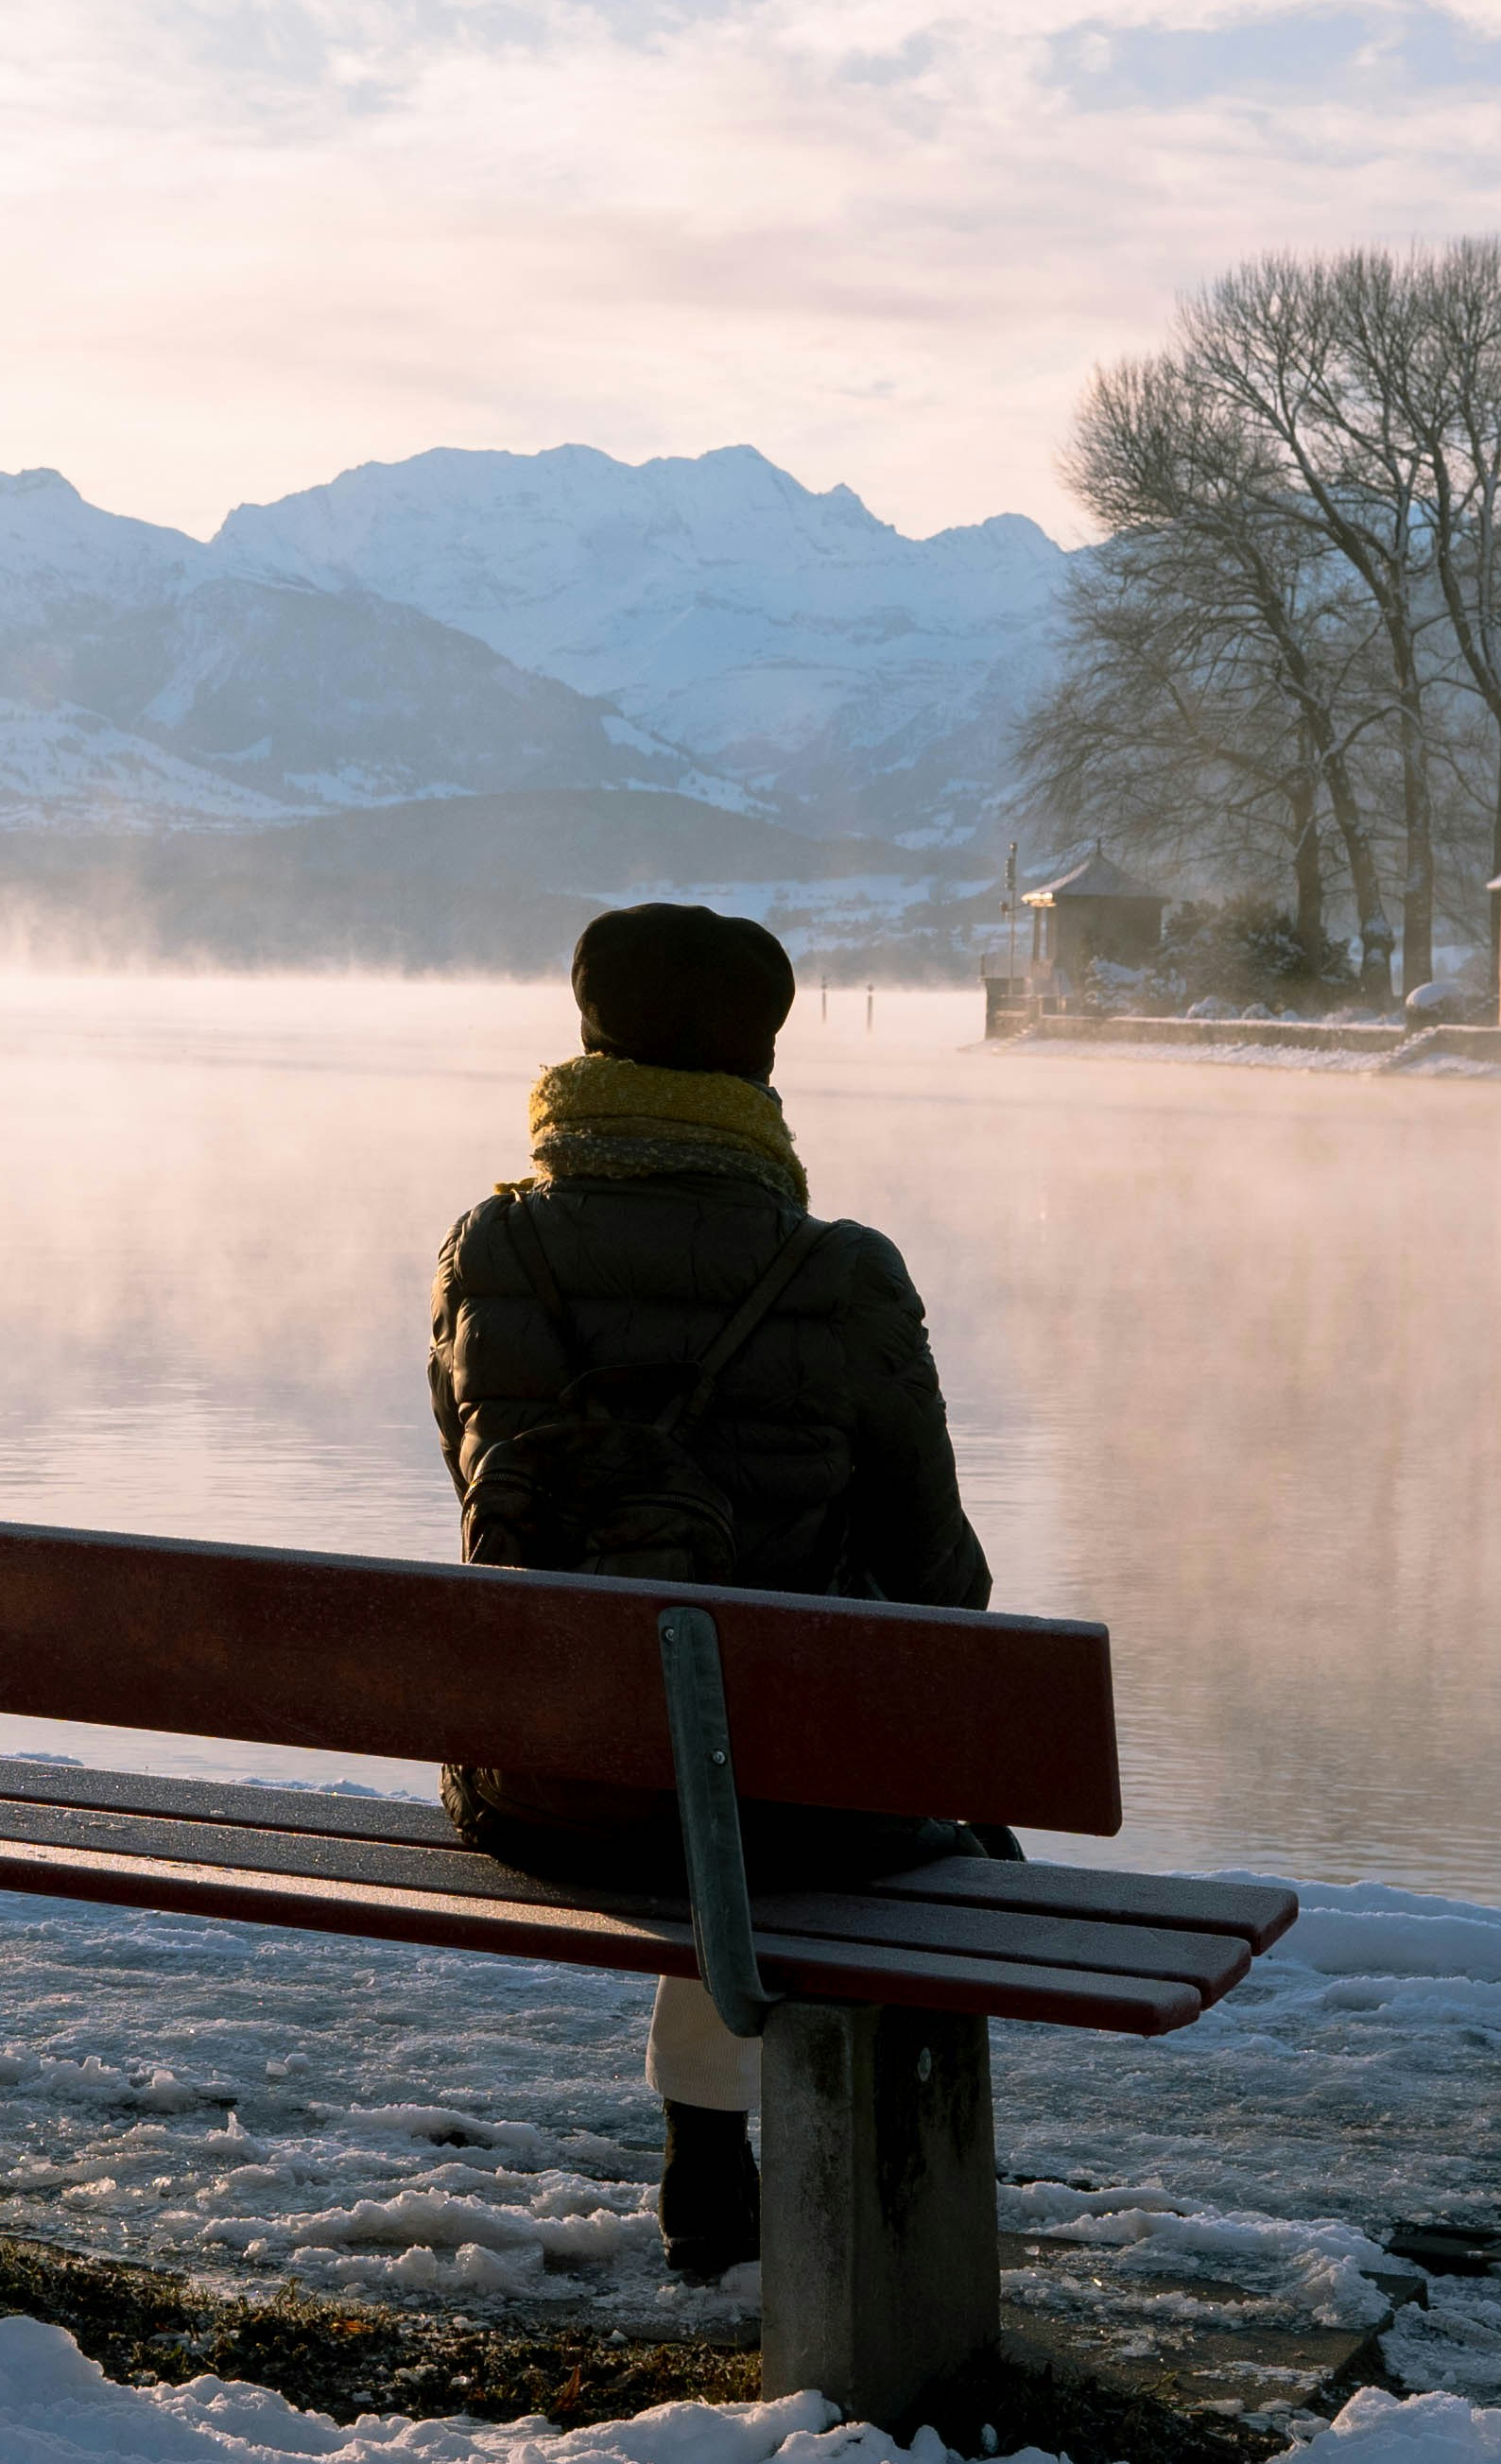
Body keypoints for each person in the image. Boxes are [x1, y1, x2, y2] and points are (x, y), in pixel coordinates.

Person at [426, 901, 992, 2278]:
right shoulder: (843, 1277)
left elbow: (488, 1498)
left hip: (544, 1788)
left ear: (588, 1042)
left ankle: (705, 2152)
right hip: (789, 1807)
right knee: (755, 1763)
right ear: (761, 1066)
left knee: (690, 1733)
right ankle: (785, 2176)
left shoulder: (494, 1251)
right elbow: (942, 1581)